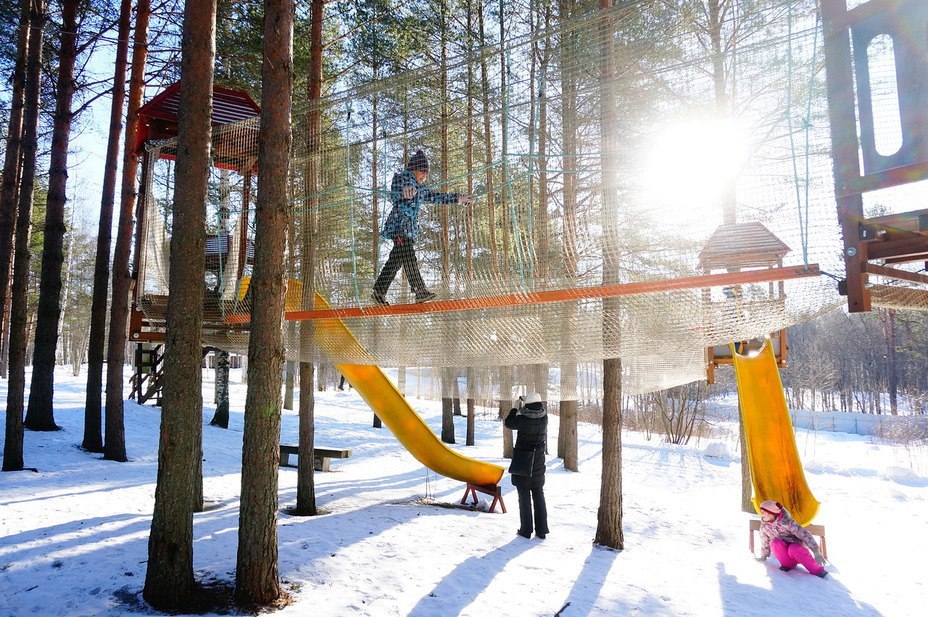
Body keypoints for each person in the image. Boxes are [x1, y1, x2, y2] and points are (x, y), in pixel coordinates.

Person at [371, 150, 471, 305]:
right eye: (422, 172)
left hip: (409, 229)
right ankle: (419, 290)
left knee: (396, 260)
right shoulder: (402, 178)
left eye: (426, 173)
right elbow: (394, 193)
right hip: (399, 226)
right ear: (414, 170)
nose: (425, 176)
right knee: (408, 255)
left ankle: (379, 290)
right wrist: (403, 191)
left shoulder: (421, 189)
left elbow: (438, 198)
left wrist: (458, 198)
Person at [505, 392, 549, 539]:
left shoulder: (522, 419)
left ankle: (526, 530)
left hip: (523, 462)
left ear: (527, 404)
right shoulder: (545, 417)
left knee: (524, 496)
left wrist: (514, 409)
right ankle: (541, 530)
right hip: (538, 462)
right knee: (538, 494)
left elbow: (508, 423)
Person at [755, 499, 828, 578]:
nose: (761, 515)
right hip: (784, 553)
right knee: (774, 543)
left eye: (763, 512)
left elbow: (805, 535)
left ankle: (817, 570)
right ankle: (787, 564)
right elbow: (764, 540)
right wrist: (764, 555)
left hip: (798, 551)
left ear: (771, 513)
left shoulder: (787, 523)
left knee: (794, 548)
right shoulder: (765, 526)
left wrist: (816, 551)